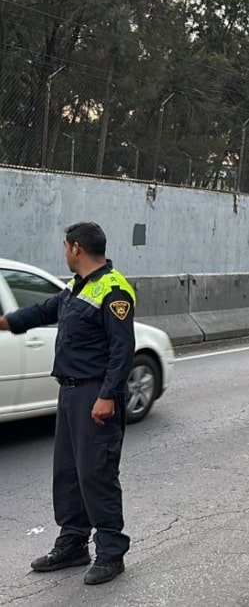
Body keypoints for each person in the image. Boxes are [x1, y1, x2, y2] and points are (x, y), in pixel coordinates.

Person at [0, 223, 134, 585]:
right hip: (71, 392)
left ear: (76, 248)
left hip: (95, 394)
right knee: (69, 472)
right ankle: (73, 543)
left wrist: (107, 395)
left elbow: (123, 350)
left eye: (65, 246)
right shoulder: (78, 287)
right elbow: (44, 311)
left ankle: (111, 551)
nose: (64, 252)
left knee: (96, 473)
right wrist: (6, 322)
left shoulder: (114, 289)